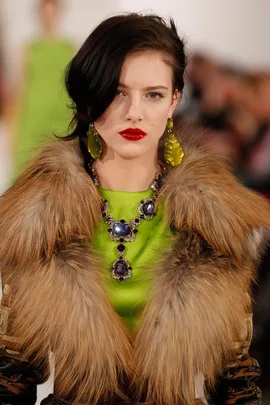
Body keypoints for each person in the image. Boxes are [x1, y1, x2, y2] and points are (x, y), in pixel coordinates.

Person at [0, 13, 269, 405]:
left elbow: (237, 379)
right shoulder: (36, 217)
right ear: (90, 96)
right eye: (117, 91)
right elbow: (12, 377)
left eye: (153, 94)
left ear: (175, 101)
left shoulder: (222, 220)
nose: (134, 112)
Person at [10, 0, 74, 177]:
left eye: (52, 13)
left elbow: (75, 86)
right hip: (33, 117)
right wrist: (14, 129)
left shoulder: (69, 48)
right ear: (39, 15)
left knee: (61, 170)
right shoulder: (29, 49)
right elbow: (20, 88)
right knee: (27, 170)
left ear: (59, 14)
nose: (49, 18)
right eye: (45, 13)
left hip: (62, 116)